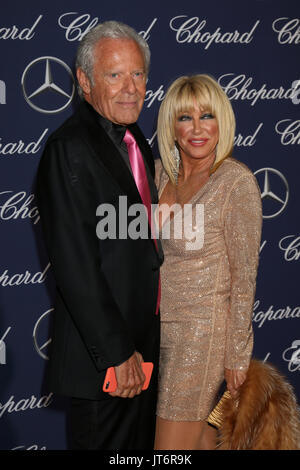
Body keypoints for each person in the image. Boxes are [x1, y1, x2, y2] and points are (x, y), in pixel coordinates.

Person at [36, 21, 163, 450]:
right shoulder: (68, 147)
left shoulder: (135, 140)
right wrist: (117, 352)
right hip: (106, 362)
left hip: (143, 351)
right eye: (115, 75)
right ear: (84, 81)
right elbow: (75, 265)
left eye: (138, 74)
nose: (131, 87)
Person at [154, 74, 262, 450]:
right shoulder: (155, 176)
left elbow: (244, 278)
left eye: (208, 116)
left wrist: (237, 355)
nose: (197, 128)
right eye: (185, 118)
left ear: (223, 123)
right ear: (171, 125)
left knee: (167, 449)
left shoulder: (235, 182)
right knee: (197, 440)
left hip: (201, 336)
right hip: (153, 333)